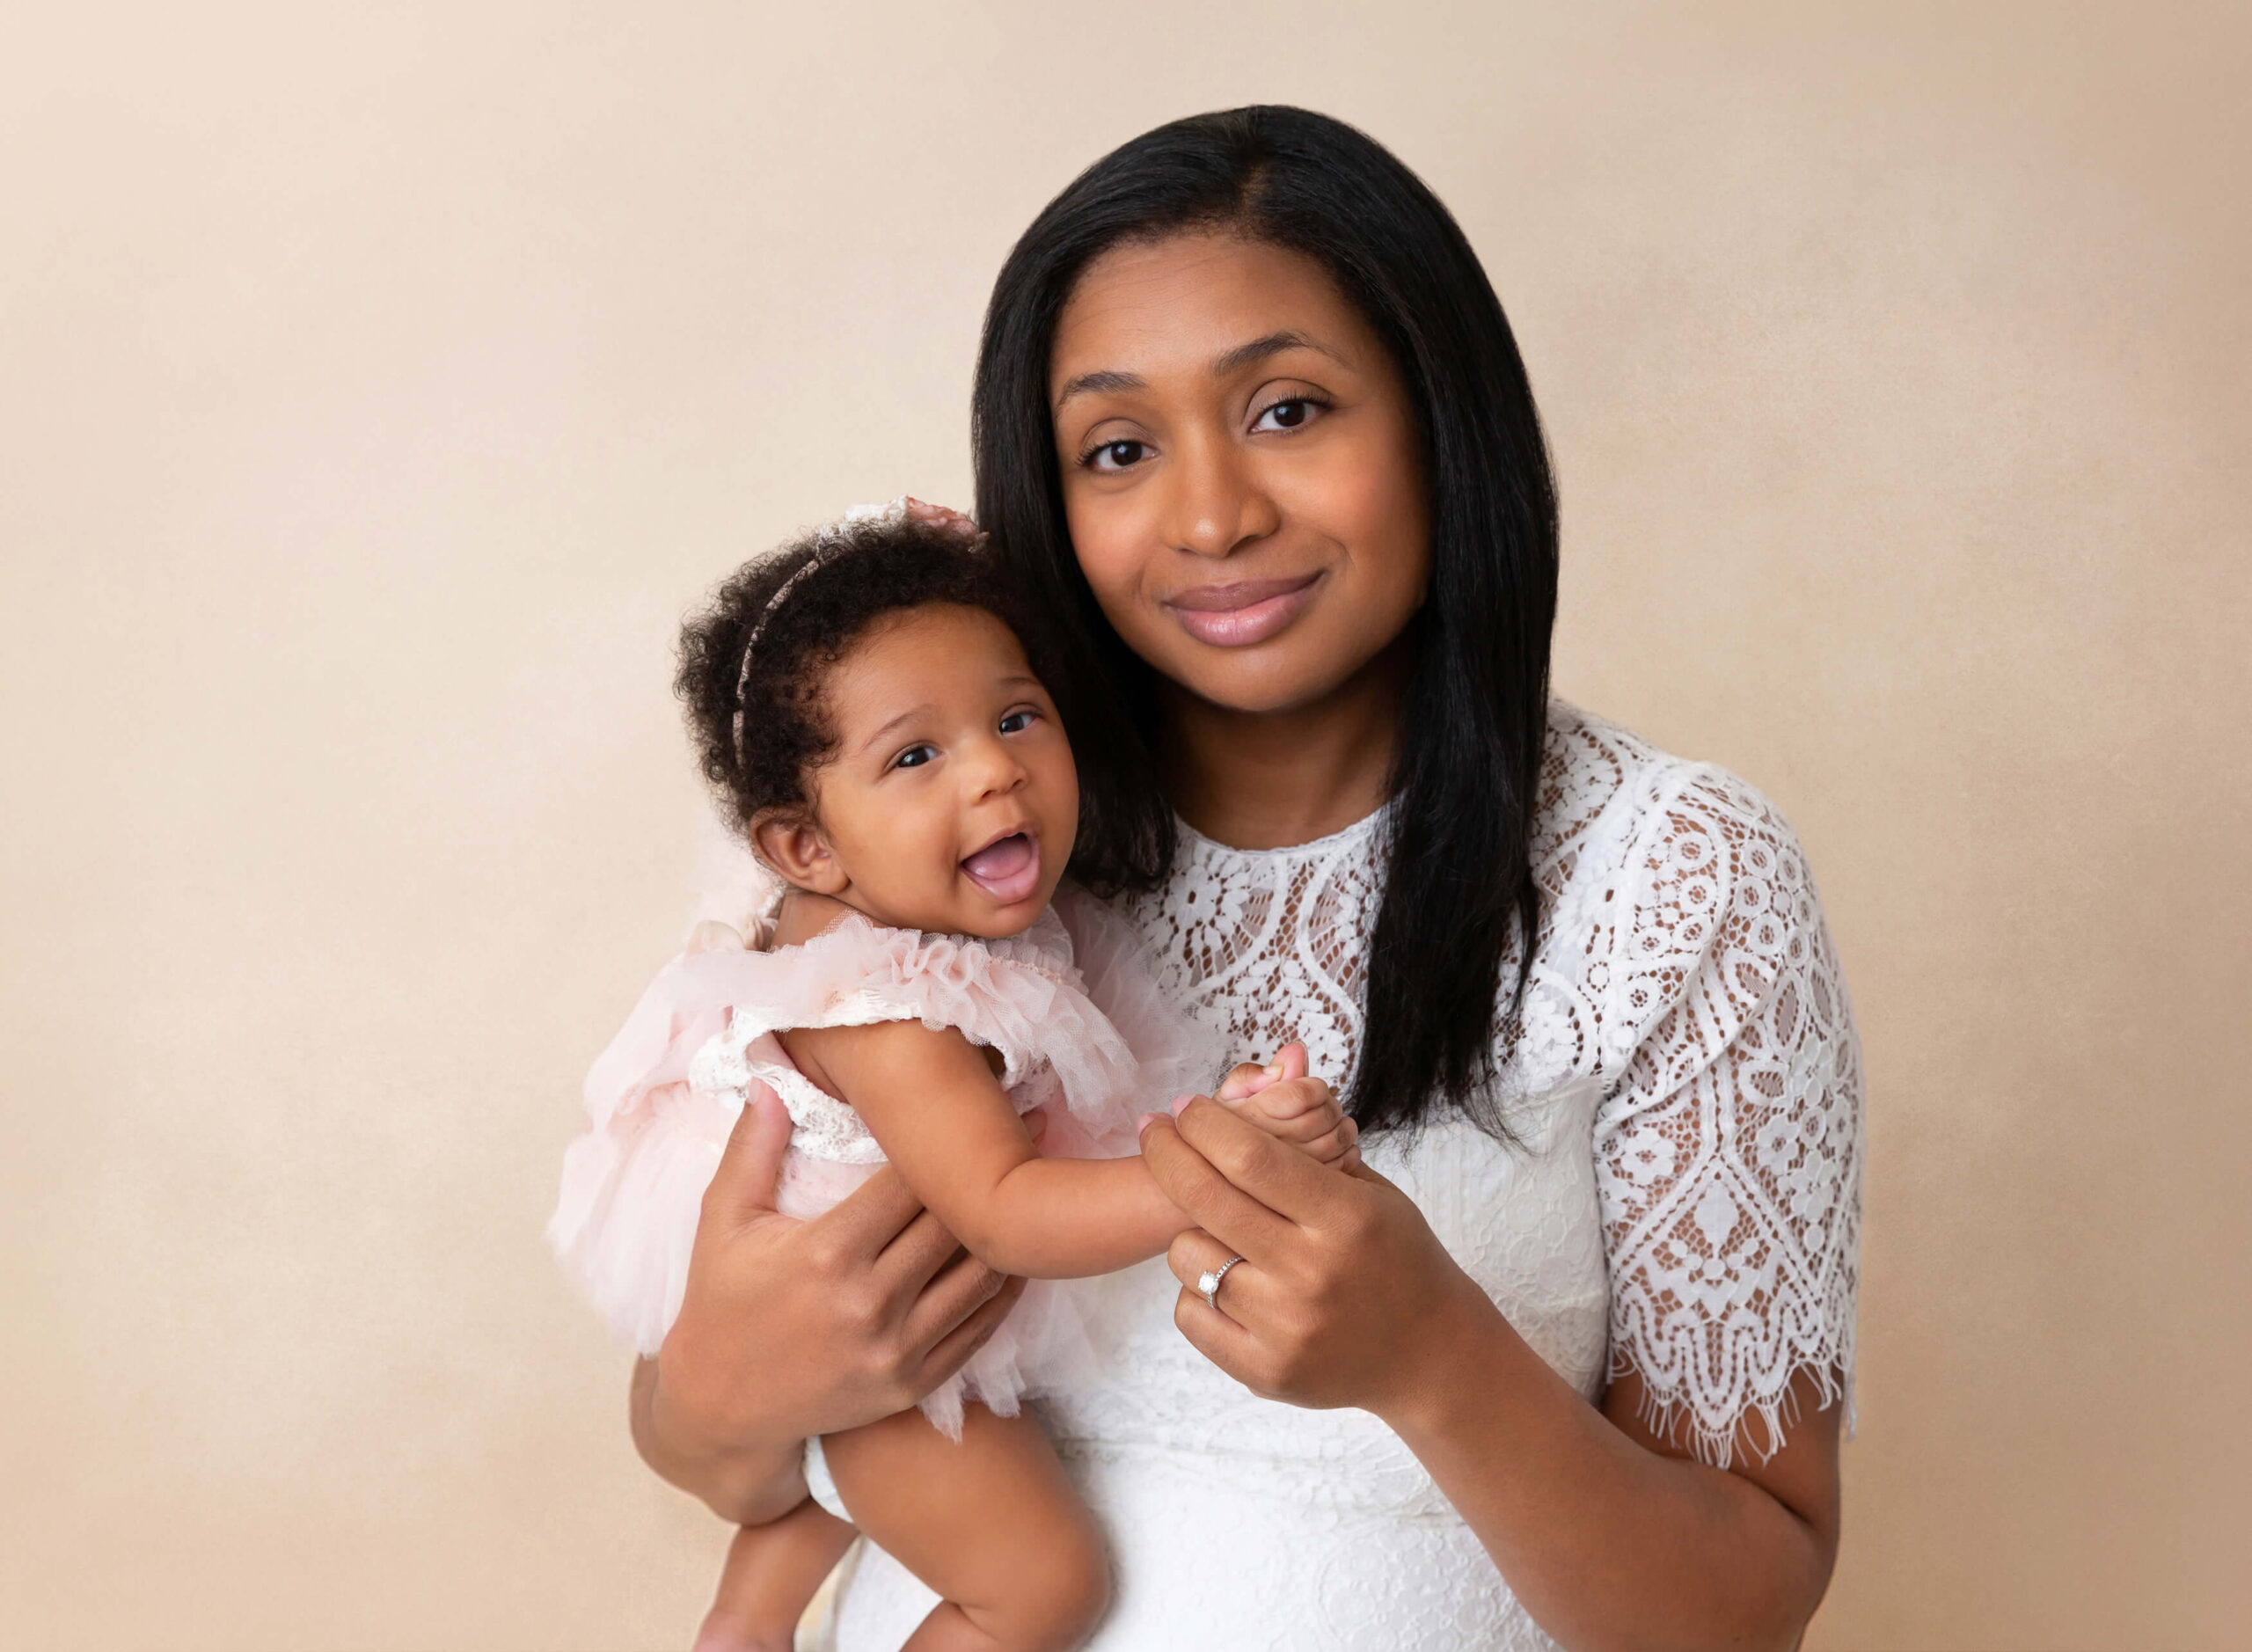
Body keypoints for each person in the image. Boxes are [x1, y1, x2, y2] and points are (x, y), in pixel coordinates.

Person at [632, 106, 1863, 1650]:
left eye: (1288, 411)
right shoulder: (967, 864)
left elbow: (1743, 1611)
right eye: (1121, 448)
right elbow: (732, 1429)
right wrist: (706, 1395)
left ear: (1439, 420)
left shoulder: (1675, 875)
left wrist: (1436, 1361)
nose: (1213, 516)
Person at [550, 506, 1358, 1651]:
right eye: (915, 755)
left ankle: (746, 1618)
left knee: (849, 1507)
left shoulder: (863, 922)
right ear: (805, 847)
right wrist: (1213, 1169)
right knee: (1046, 1584)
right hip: (869, 1341)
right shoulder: (896, 1011)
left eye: (1018, 715)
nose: (995, 771)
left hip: (861, 1334)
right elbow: (1010, 1212)